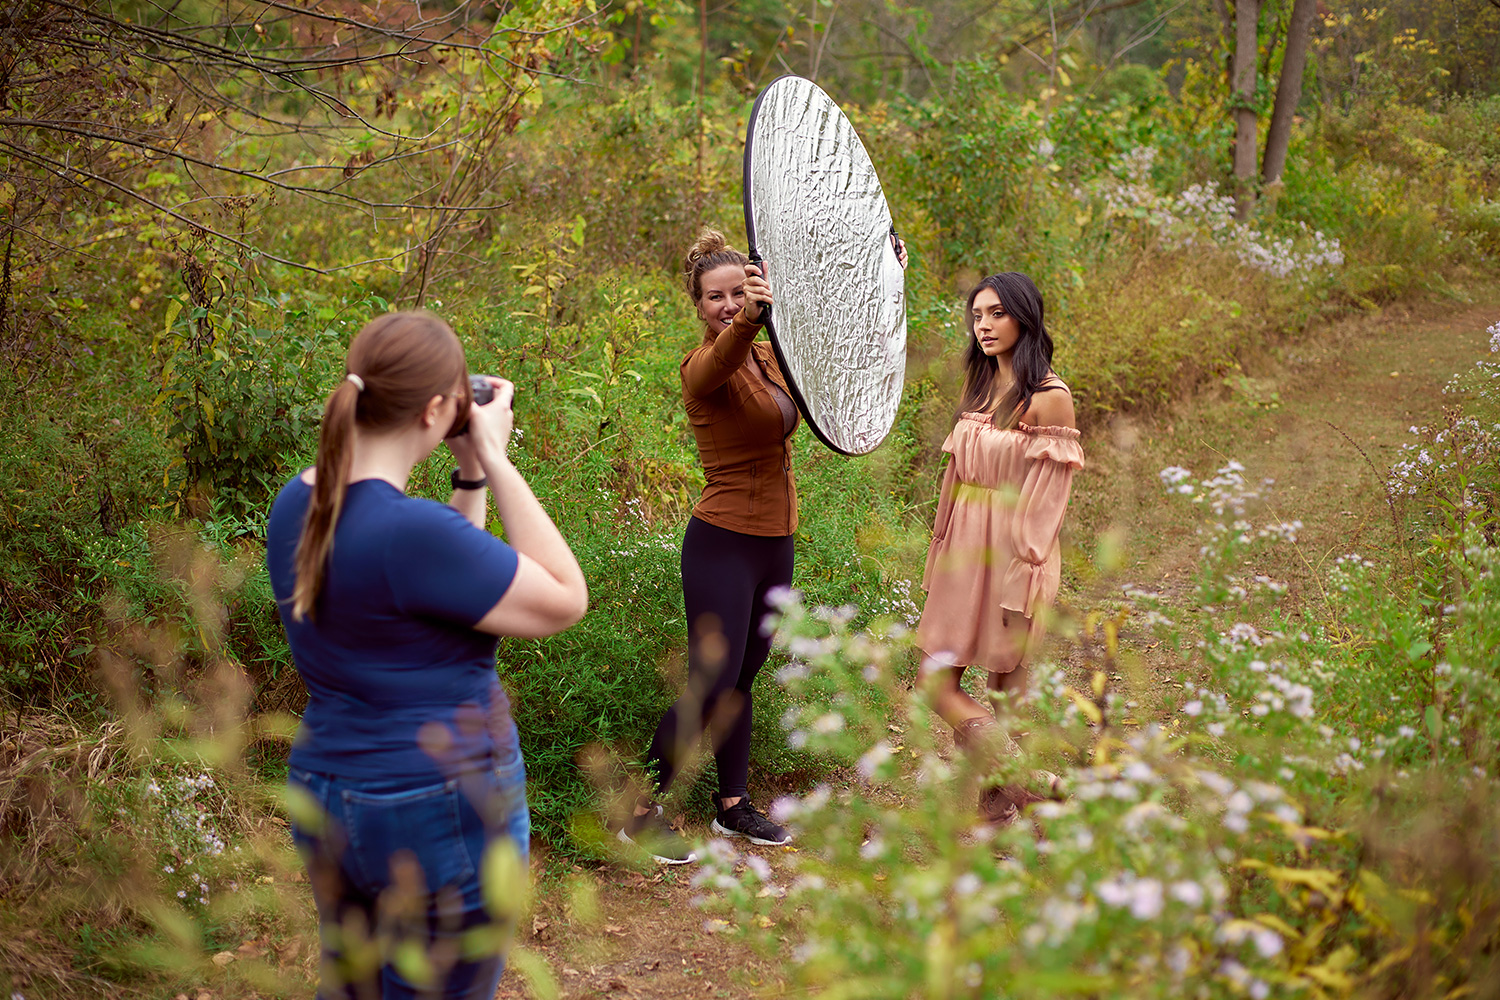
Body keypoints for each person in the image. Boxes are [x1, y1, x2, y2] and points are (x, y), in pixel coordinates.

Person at [265, 311, 587, 999]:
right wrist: (496, 458)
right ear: (437, 408)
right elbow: (565, 598)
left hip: (330, 788)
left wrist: (467, 481)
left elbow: (432, 584)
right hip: (439, 801)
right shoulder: (409, 533)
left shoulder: (297, 504)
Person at [916, 272, 1083, 826]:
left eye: (996, 314)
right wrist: (940, 549)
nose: (983, 326)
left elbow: (1044, 505)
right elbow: (955, 479)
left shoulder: (1050, 398)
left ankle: (994, 827)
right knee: (935, 681)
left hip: (1014, 554)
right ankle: (1035, 786)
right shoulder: (982, 385)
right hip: (964, 548)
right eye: (977, 315)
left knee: (1007, 695)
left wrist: (1023, 580)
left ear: (1024, 318)